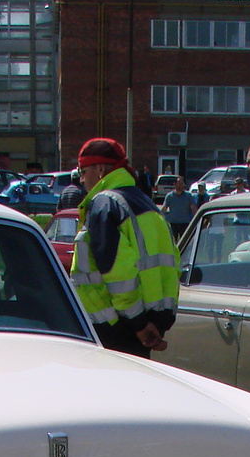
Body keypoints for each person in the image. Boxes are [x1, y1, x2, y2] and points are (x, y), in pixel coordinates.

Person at [68, 137, 179, 358]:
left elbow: (118, 273)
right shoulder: (147, 204)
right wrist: (155, 325)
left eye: (82, 171)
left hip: (114, 327)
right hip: (146, 327)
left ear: (100, 169)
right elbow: (171, 267)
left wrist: (138, 323)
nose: (81, 179)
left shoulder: (104, 205)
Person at [160, 175, 197, 243]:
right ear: (175, 184)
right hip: (173, 223)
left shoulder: (188, 196)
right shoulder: (170, 196)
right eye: (179, 183)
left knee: (185, 241)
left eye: (182, 184)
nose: (181, 185)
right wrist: (161, 218)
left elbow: (193, 208)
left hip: (185, 223)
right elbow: (164, 208)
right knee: (173, 242)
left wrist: (196, 219)